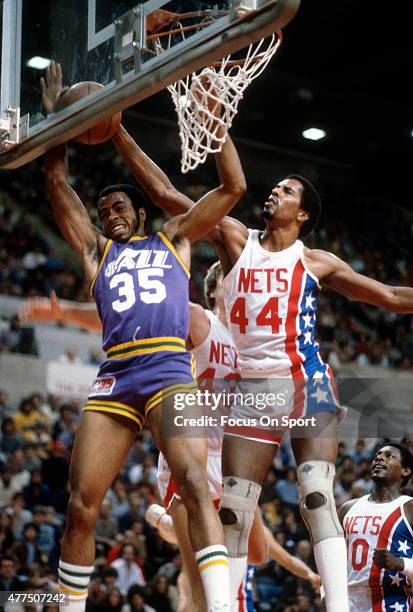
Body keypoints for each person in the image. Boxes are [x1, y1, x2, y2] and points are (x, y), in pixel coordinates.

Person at [113, 128, 413, 612]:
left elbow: (393, 297)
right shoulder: (235, 237)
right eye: (275, 187)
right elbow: (169, 196)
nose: (275, 191)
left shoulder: (317, 261)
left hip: (305, 379)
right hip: (252, 391)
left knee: (316, 495)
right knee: (233, 512)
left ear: (304, 213)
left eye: (288, 190)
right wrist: (122, 137)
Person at [42, 60, 246, 612]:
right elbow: (58, 182)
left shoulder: (174, 239)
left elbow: (234, 187)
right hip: (116, 375)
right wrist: (59, 120)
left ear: (139, 212)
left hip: (168, 372)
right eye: (103, 208)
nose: (109, 214)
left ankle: (222, 607)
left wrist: (218, 126)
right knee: (81, 505)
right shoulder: (95, 251)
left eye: (118, 206)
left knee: (195, 485)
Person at [146, 261, 319, 611]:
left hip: (230, 462)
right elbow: (149, 315)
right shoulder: (200, 319)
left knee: (257, 551)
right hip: (194, 452)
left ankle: (171, 527)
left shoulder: (250, 347)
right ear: (214, 291)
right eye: (233, 283)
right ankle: (180, 527)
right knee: (200, 593)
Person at [338, 443, 413, 612]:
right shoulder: (347, 508)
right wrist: (326, 595)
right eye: (378, 455)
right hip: (347, 604)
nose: (379, 457)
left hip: (391, 602)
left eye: (389, 456)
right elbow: (332, 560)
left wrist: (401, 563)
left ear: (405, 471)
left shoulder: (409, 508)